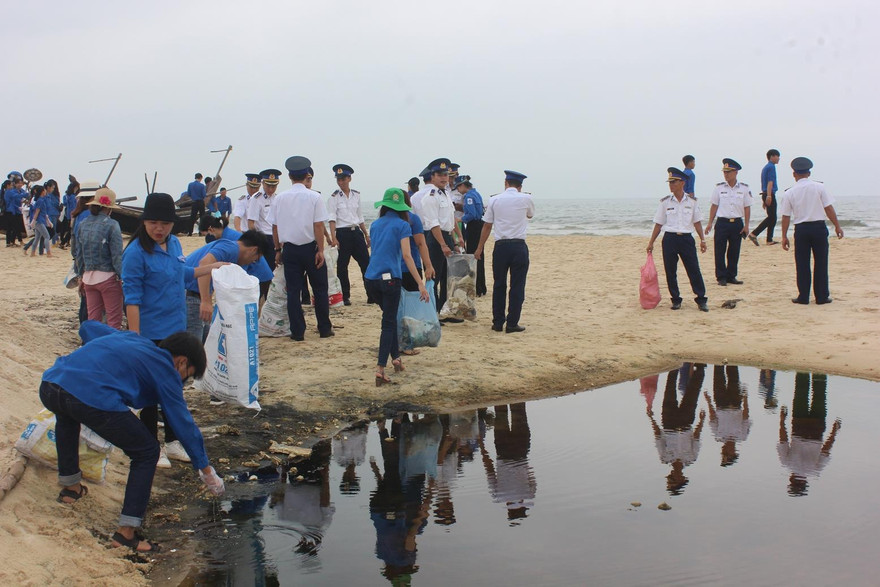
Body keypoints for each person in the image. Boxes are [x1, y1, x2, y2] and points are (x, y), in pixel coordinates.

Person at [39, 320, 225, 553]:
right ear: (182, 362)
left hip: (51, 384)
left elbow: (88, 327)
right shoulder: (167, 369)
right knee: (147, 452)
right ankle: (126, 533)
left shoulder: (133, 338)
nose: (183, 382)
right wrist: (206, 470)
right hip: (89, 397)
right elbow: (183, 424)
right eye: (187, 376)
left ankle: (70, 489)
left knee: (67, 416)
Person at [122, 193, 225, 466]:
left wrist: (213, 267)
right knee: (149, 393)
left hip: (175, 331)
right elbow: (131, 298)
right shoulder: (134, 253)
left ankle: (173, 442)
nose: (159, 229)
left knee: (174, 389)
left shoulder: (175, 243)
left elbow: (181, 274)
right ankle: (150, 446)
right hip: (149, 333)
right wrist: (135, 338)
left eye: (165, 224)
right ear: (144, 222)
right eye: (153, 222)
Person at [365, 188, 429, 385]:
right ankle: (380, 369)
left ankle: (396, 360)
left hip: (370, 279)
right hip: (391, 279)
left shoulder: (375, 225)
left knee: (389, 319)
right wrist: (420, 283)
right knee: (388, 324)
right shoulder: (403, 225)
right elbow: (407, 256)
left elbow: (376, 251)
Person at [269, 156, 333, 341]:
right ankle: (324, 329)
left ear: (289, 176)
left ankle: (297, 332)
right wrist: (320, 250)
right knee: (320, 289)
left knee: (293, 292)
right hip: (310, 249)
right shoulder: (314, 196)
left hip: (289, 249)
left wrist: (278, 250)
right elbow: (318, 225)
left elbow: (275, 227)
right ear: (306, 175)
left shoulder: (280, 198)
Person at [475, 170, 536, 332]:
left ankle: (497, 322)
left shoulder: (495, 199)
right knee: (517, 285)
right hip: (518, 245)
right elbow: (530, 215)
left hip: (501, 246)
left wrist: (479, 247)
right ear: (520, 186)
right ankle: (512, 323)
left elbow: (487, 225)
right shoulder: (526, 198)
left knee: (499, 284)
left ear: (506, 183)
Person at [780, 157, 844, 305]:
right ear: (808, 173)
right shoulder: (819, 187)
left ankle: (803, 296)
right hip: (818, 228)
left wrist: (784, 236)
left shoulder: (790, 192)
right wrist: (837, 226)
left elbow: (785, 216)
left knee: (802, 263)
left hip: (801, 229)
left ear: (794, 174)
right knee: (821, 262)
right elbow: (828, 208)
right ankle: (821, 297)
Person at [647, 167, 709, 311]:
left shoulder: (692, 202)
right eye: (669, 182)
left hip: (686, 239)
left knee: (693, 269)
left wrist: (702, 239)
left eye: (674, 182)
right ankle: (676, 299)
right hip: (670, 239)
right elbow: (659, 223)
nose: (671, 185)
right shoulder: (665, 202)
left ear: (682, 183)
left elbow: (697, 222)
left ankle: (701, 299)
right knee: (670, 271)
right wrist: (651, 242)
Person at [184, 229, 263, 341]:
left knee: (206, 342)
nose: (252, 262)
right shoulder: (231, 248)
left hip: (194, 295)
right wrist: (205, 301)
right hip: (189, 295)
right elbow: (205, 263)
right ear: (253, 250)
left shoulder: (232, 251)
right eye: (256, 259)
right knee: (192, 344)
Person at [418, 158, 466, 313]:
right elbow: (434, 224)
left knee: (448, 277)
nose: (444, 177)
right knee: (434, 277)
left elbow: (450, 221)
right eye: (440, 174)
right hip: (436, 239)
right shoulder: (430, 197)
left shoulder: (446, 194)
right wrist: (443, 245)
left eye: (446, 174)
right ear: (432, 177)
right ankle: (431, 311)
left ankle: (444, 310)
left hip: (447, 237)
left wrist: (457, 240)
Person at [74, 188, 124, 329]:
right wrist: (122, 277)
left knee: (93, 320)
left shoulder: (82, 224)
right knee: (114, 320)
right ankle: (112, 349)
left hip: (88, 278)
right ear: (109, 208)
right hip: (108, 278)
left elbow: (79, 253)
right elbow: (116, 255)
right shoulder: (112, 224)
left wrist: (80, 275)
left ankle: (93, 347)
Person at [326, 164, 373, 306]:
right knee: (342, 266)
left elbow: (360, 217)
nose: (341, 182)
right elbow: (332, 219)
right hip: (342, 233)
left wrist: (366, 234)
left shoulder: (356, 195)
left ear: (349, 178)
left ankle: (371, 294)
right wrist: (333, 238)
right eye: (338, 179)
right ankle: (345, 296)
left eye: (343, 179)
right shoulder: (333, 198)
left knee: (366, 263)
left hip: (356, 233)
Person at [705, 158, 753, 286]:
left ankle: (731, 275)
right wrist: (710, 222)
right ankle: (721, 276)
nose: (726, 174)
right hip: (722, 223)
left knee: (734, 250)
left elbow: (747, 207)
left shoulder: (744, 188)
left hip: (737, 223)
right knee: (719, 250)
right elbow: (714, 206)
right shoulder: (719, 188)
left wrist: (747, 225)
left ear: (736, 172)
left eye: (729, 172)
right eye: (724, 172)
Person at [248, 169, 282, 300]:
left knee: (276, 270)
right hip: (264, 238)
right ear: (263, 183)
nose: (271, 188)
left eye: (274, 186)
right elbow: (251, 222)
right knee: (264, 271)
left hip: (276, 238)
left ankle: (272, 297)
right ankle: (263, 296)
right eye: (269, 185)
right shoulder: (256, 199)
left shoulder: (278, 198)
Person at [459, 176, 487, 296]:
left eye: (458, 187)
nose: (458, 190)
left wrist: (460, 219)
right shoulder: (477, 194)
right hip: (480, 225)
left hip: (473, 226)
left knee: (473, 255)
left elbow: (472, 214)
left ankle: (477, 286)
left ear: (464, 186)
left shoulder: (469, 196)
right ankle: (482, 286)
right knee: (480, 255)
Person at [749, 149, 781, 246]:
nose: (779, 158)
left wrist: (765, 196)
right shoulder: (771, 167)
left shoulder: (766, 167)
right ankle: (754, 233)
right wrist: (768, 195)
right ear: (772, 156)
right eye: (777, 156)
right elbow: (770, 182)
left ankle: (769, 239)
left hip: (766, 193)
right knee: (772, 217)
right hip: (769, 193)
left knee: (773, 217)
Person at [28, 185, 54, 258]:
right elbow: (37, 211)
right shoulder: (40, 200)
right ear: (42, 191)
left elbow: (44, 213)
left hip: (40, 220)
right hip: (39, 221)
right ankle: (48, 253)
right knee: (47, 236)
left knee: (37, 237)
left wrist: (48, 221)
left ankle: (32, 253)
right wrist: (33, 221)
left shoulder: (40, 200)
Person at [4, 174, 26, 247]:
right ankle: (15, 241)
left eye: (21, 183)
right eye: (18, 183)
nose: (20, 184)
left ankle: (11, 242)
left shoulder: (20, 190)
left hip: (16, 210)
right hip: (12, 211)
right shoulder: (10, 191)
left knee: (13, 227)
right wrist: (24, 194)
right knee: (14, 227)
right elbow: (15, 197)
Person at [58, 177, 79, 249]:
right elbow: (74, 207)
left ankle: (64, 242)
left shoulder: (67, 196)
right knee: (71, 231)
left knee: (69, 230)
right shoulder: (73, 197)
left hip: (68, 214)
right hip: (73, 215)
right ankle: (63, 243)